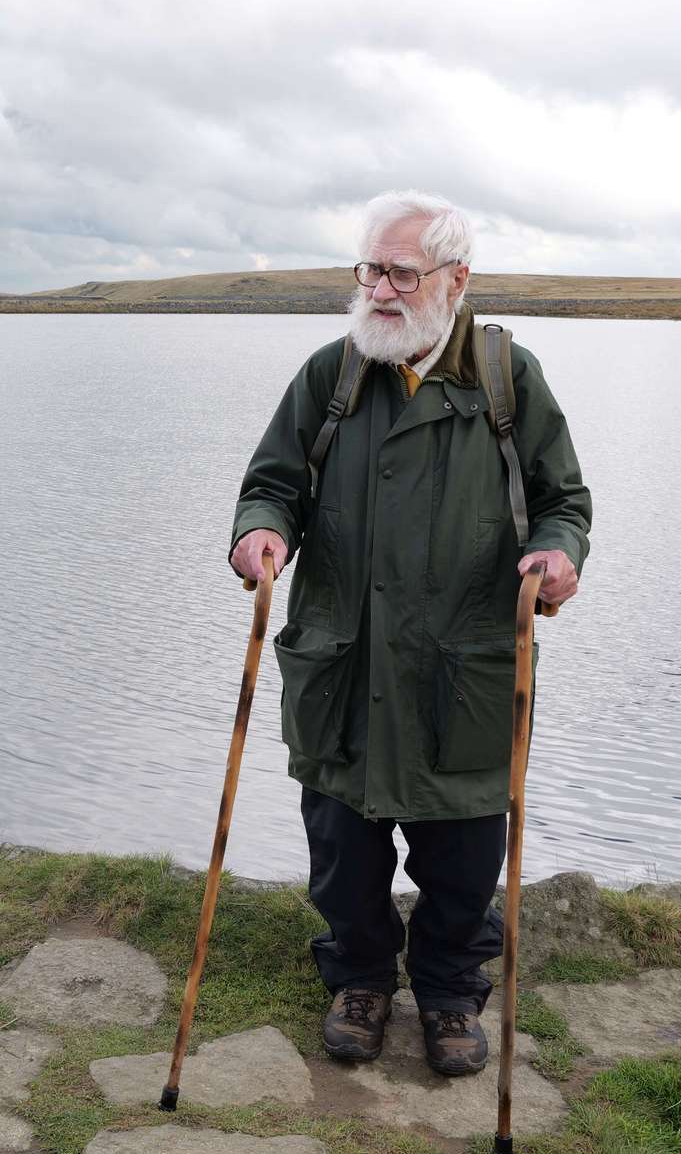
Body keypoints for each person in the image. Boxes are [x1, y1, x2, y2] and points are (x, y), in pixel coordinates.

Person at [228, 190, 591, 1074]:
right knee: (342, 847)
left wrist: (555, 555)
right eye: (370, 270)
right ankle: (358, 977)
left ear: (455, 280)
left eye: (401, 273)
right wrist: (259, 531)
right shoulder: (333, 374)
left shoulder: (509, 378)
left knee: (464, 854)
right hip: (342, 664)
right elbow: (273, 481)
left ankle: (447, 991)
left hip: (462, 669)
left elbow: (563, 502)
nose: (381, 290)